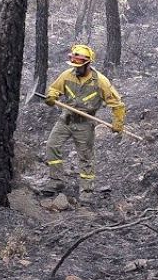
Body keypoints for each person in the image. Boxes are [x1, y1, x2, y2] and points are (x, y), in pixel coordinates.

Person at [42, 43, 127, 202]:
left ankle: (86, 192)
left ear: (88, 64)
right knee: (52, 145)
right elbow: (54, 89)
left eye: (78, 65)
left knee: (86, 157)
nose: (76, 68)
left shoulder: (100, 81)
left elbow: (117, 104)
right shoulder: (67, 75)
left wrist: (118, 122)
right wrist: (51, 97)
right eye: (73, 65)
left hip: (85, 123)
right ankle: (56, 181)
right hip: (66, 118)